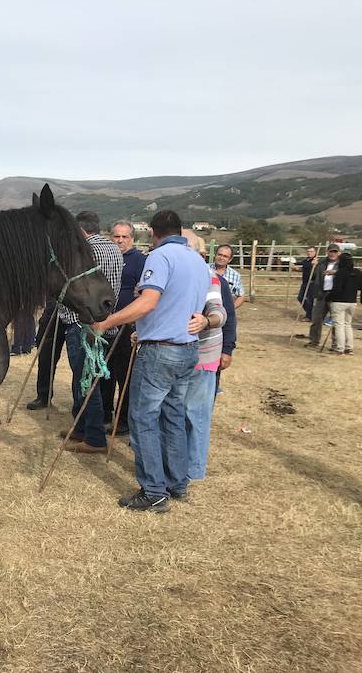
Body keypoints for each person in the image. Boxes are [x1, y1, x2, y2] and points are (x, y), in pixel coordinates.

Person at [92, 210, 210, 513]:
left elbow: (149, 302)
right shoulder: (197, 259)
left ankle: (154, 491)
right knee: (172, 417)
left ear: (153, 233)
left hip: (161, 351)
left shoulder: (158, 256)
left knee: (143, 419)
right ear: (179, 230)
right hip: (187, 349)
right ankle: (176, 482)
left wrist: (107, 323)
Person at [59, 211, 122, 454]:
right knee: (83, 379)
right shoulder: (113, 248)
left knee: (87, 381)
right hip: (106, 320)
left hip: (83, 322)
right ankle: (82, 425)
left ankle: (95, 437)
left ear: (79, 229)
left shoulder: (85, 251)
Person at [183, 233, 227, 481]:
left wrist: (206, 320)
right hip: (180, 353)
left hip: (203, 354)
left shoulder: (209, 278)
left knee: (196, 413)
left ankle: (194, 469)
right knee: (179, 412)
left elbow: (220, 313)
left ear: (200, 254)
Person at [100, 221, 145, 434]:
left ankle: (124, 420)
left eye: (124, 237)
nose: (119, 240)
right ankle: (104, 414)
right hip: (105, 323)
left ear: (132, 238)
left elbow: (145, 294)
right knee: (104, 372)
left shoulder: (140, 261)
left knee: (124, 375)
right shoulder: (108, 259)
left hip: (128, 327)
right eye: (116, 236)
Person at [306, 244, 341, 348]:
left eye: (335, 252)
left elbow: (346, 275)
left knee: (336, 322)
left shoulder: (342, 264)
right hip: (322, 294)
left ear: (338, 253)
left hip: (335, 295)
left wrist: (336, 272)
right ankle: (314, 340)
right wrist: (313, 266)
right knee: (316, 319)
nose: (332, 254)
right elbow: (312, 276)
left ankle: (336, 344)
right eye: (331, 251)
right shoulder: (321, 262)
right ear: (327, 252)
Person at [328, 252, 362, 355]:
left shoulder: (340, 273)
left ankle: (340, 348)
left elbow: (336, 289)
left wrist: (329, 297)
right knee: (348, 325)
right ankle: (349, 348)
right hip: (352, 302)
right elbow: (361, 286)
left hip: (339, 301)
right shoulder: (357, 272)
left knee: (339, 325)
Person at [210, 244, 244, 309]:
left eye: (225, 256)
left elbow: (240, 295)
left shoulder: (235, 275)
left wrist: (230, 309)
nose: (221, 258)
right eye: (219, 255)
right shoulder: (204, 269)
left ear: (230, 259)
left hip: (225, 312)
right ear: (215, 255)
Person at [294, 246, 318, 320]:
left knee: (309, 299)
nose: (309, 253)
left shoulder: (317, 261)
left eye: (311, 251)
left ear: (315, 252)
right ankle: (309, 313)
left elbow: (318, 271)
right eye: (308, 251)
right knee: (300, 298)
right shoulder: (306, 261)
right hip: (305, 282)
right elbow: (303, 269)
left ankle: (309, 316)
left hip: (312, 283)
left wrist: (315, 265)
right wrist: (295, 268)